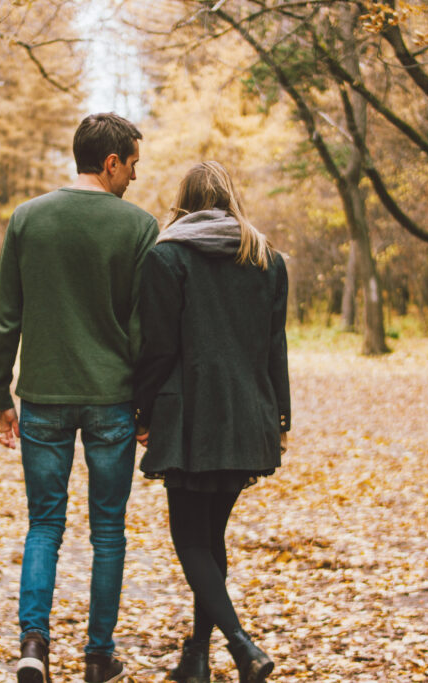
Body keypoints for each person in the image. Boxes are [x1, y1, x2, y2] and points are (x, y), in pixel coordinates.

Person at [0, 113, 159, 683]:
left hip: (43, 396)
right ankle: (99, 655)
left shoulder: (28, 219)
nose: (134, 175)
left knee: (44, 525)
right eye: (132, 163)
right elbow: (144, 328)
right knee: (108, 530)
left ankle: (33, 645)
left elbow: (4, 316)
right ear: (111, 162)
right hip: (111, 399)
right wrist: (147, 406)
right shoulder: (138, 227)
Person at [133, 161, 290, 683]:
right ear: (230, 198)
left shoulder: (167, 256)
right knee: (211, 538)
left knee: (189, 538)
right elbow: (275, 347)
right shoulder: (266, 258)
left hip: (190, 419)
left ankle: (242, 647)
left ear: (184, 201)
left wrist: (142, 409)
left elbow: (158, 347)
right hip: (249, 415)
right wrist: (281, 418)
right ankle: (195, 660)